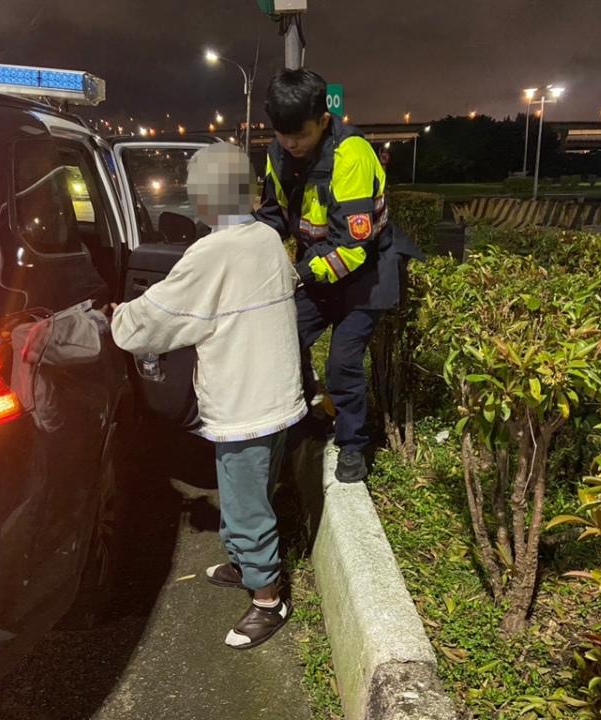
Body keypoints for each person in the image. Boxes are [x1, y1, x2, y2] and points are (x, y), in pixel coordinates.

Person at [110, 142, 305, 650]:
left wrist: (117, 317)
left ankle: (268, 599)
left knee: (244, 505)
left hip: (245, 402)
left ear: (207, 197)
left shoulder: (211, 252)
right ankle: (245, 566)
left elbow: (157, 322)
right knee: (253, 490)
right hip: (277, 393)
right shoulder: (266, 238)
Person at [254, 68, 423, 483]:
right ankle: (308, 415)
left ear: (324, 120)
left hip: (364, 273)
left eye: (301, 135)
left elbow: (352, 248)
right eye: (282, 135)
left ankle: (353, 445)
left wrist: (294, 275)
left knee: (343, 363)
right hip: (317, 269)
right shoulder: (278, 154)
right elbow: (273, 216)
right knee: (283, 340)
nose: (291, 144)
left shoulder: (352, 155)